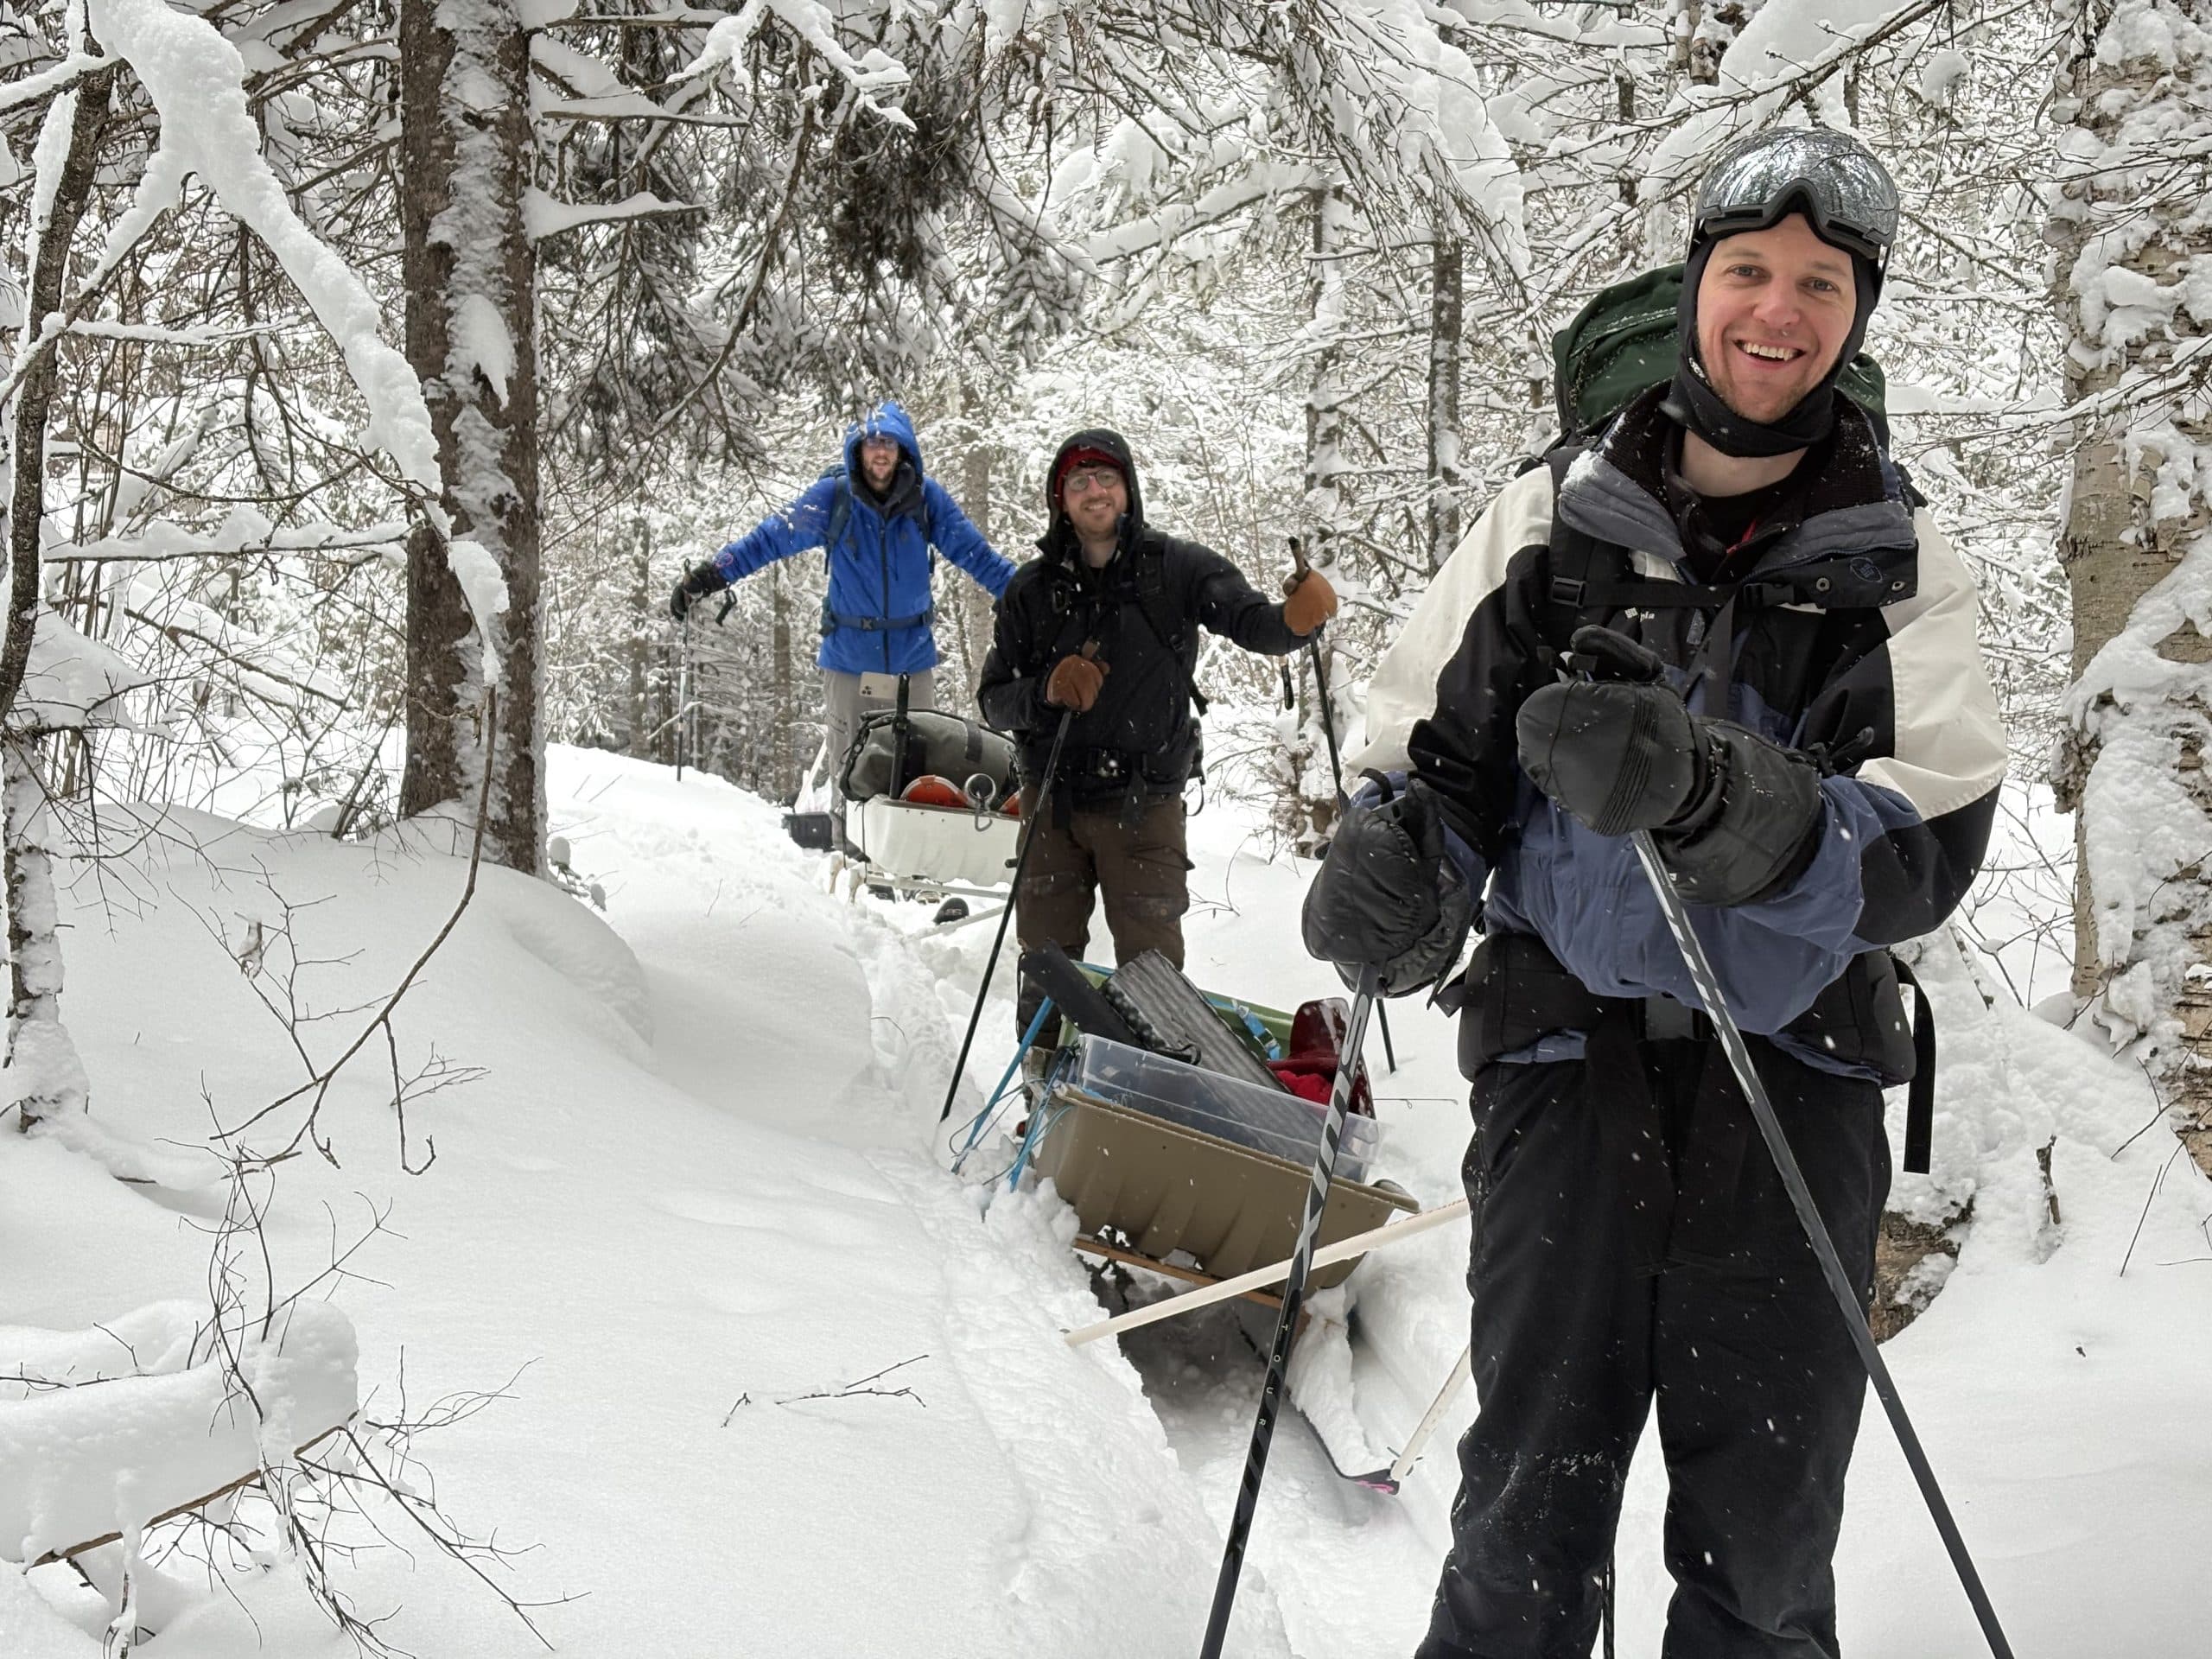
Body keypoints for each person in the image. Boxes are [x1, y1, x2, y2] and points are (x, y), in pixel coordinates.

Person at [1301, 127, 2006, 1658]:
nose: (1778, 310)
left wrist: (1722, 800)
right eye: (1749, 271)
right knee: (1528, 1504)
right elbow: (1432, 759)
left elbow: (1928, 847)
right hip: (1564, 1058)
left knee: (1765, 1529)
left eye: (1821, 283)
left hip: (1798, 1075)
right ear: (1697, 287)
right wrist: (1397, 863)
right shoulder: (1552, 518)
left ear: (1857, 315)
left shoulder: (1900, 560)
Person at [978, 429, 1338, 1043]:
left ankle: (1139, 1103)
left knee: (1152, 975)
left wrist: (1295, 621)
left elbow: (1253, 622)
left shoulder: (1177, 569)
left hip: (1144, 805)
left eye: (1107, 479)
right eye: (1080, 482)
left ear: (1128, 489)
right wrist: (1046, 691)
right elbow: (993, 701)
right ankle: (1042, 1094)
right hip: (1052, 803)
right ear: (1059, 499)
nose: (1095, 492)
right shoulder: (1031, 590)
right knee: (1046, 967)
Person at [670, 399, 1014, 841]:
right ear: (858, 450)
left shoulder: (926, 501)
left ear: (903, 448)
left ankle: (906, 872)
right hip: (851, 660)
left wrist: (1024, 592)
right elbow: (768, 539)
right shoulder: (834, 499)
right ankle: (849, 857)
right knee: (850, 766)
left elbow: (977, 555)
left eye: (889, 442)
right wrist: (711, 575)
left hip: (913, 659)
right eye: (872, 443)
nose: (881, 452)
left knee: (920, 771)